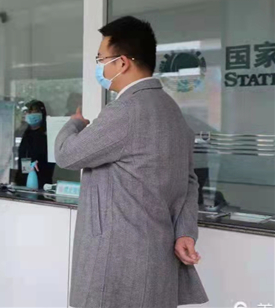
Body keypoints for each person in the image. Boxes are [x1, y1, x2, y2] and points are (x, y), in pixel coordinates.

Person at [55, 16, 208, 308]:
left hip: (117, 266)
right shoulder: (171, 111)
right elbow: (189, 180)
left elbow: (66, 154)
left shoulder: (126, 111)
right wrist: (185, 231)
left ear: (122, 63)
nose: (100, 67)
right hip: (158, 263)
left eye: (101, 59)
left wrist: (74, 123)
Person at [16, 100, 53, 188]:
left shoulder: (46, 136)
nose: (32, 114)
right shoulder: (26, 134)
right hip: (23, 182)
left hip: (41, 182)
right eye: (29, 112)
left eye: (35, 112)